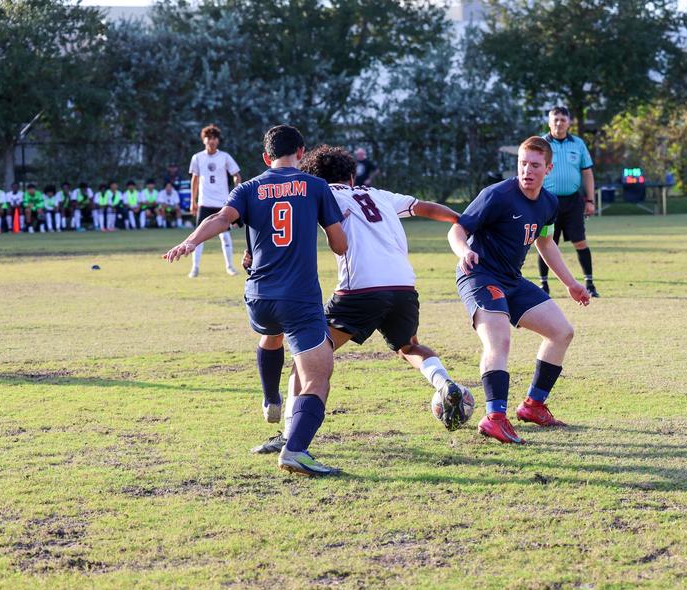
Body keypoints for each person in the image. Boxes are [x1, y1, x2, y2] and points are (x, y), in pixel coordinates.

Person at [250, 144, 467, 454]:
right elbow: (426, 208)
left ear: (315, 179)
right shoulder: (378, 195)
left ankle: (288, 435)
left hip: (359, 290)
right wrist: (463, 221)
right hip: (403, 286)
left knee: (306, 358)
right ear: (352, 177)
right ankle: (444, 383)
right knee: (409, 347)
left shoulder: (320, 194)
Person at [164, 124, 347, 476]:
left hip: (259, 298)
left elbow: (220, 218)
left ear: (266, 157)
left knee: (272, 333)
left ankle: (271, 399)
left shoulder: (248, 188)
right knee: (318, 375)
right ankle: (296, 450)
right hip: (299, 298)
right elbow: (340, 245)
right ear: (301, 153)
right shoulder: (315, 186)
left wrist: (190, 241)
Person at [448, 136, 591, 444]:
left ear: (548, 169)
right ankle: (495, 418)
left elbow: (546, 243)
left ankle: (533, 405)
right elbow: (457, 228)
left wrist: (571, 283)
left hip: (511, 279)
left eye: (535, 165)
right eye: (523, 164)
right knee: (499, 339)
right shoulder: (497, 195)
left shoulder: (549, 203)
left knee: (561, 332)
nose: (527, 171)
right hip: (480, 275)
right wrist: (464, 251)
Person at [535, 106, 599, 298]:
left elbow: (587, 173)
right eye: (555, 119)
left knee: (580, 241)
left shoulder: (578, 144)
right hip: (547, 202)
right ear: (549, 122)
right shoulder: (541, 144)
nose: (559, 123)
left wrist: (590, 200)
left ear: (569, 123)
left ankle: (590, 283)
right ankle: (543, 286)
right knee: (545, 243)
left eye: (563, 120)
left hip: (573, 202)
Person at [188, 124, 241, 277]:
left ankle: (230, 266)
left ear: (218, 140)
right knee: (199, 236)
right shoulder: (197, 157)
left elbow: (236, 175)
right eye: (208, 138)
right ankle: (195, 268)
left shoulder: (225, 157)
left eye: (214, 138)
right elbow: (195, 180)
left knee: (225, 236)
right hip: (204, 202)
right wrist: (193, 201)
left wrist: (236, 190)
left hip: (222, 203)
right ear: (203, 140)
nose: (211, 141)